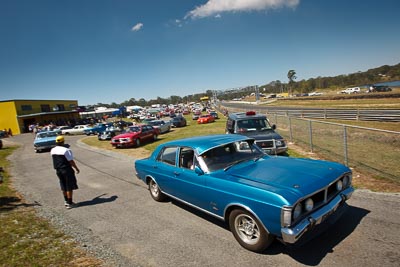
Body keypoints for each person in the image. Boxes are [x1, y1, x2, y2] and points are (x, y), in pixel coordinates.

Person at [50, 136, 80, 209]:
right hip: (66, 169)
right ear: (63, 142)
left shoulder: (53, 150)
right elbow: (71, 161)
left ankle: (66, 200)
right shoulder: (66, 150)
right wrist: (76, 168)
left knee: (63, 185)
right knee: (69, 186)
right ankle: (70, 203)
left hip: (58, 170)